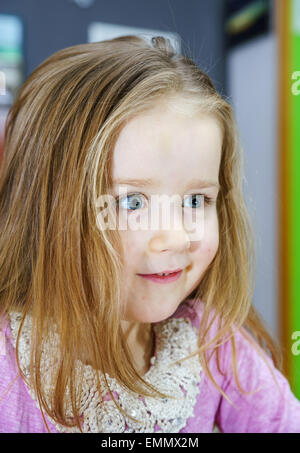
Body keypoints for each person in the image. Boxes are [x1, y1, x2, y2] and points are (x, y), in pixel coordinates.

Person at [0, 35, 299, 434]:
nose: (175, 238)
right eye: (133, 202)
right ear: (45, 209)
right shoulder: (8, 368)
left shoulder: (214, 347)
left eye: (196, 201)